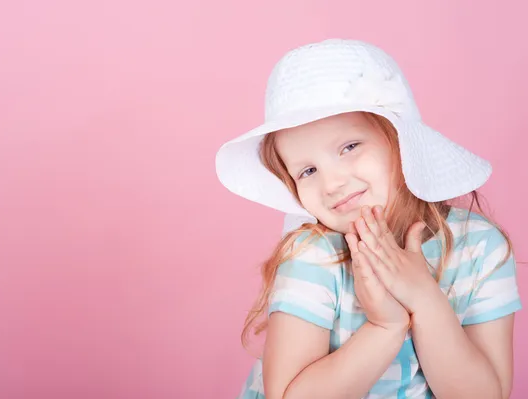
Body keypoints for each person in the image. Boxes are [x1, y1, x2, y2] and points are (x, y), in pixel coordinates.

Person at [215, 39, 522, 399]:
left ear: (399, 139)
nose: (332, 183)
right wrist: (385, 326)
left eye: (350, 147)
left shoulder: (479, 248)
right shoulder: (314, 255)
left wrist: (424, 298)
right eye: (308, 170)